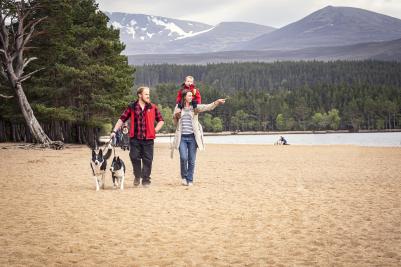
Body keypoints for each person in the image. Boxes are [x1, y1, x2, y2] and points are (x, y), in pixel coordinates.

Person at [110, 86, 164, 187]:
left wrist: (155, 130)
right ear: (140, 95)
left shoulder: (153, 107)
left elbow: (161, 120)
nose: (148, 96)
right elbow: (122, 119)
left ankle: (146, 180)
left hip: (148, 139)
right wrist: (114, 130)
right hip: (135, 139)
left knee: (148, 160)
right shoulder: (132, 107)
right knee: (134, 157)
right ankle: (137, 175)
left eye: (149, 94)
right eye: (146, 94)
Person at [172, 89, 225, 186]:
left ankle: (190, 179)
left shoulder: (195, 107)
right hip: (182, 138)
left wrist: (216, 102)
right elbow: (175, 123)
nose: (191, 97)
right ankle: (184, 177)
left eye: (191, 95)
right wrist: (176, 117)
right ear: (184, 97)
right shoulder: (178, 107)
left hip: (193, 138)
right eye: (189, 95)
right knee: (183, 158)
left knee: (191, 159)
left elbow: (207, 107)